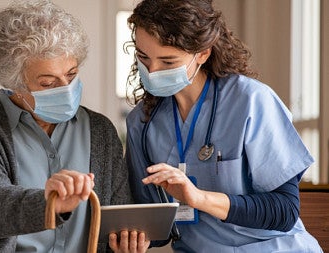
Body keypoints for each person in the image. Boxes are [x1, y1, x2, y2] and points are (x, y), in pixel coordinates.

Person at [0, 1, 149, 252]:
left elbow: (118, 218)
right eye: (48, 83)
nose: (66, 89)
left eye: (71, 75)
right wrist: (48, 203)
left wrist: (128, 241)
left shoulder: (100, 129)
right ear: (14, 84)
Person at [124, 0, 323, 252]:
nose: (152, 71)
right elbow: (158, 229)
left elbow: (284, 210)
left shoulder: (251, 101)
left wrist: (198, 198)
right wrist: (132, 238)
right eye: (143, 57)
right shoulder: (142, 122)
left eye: (168, 62)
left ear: (203, 54)